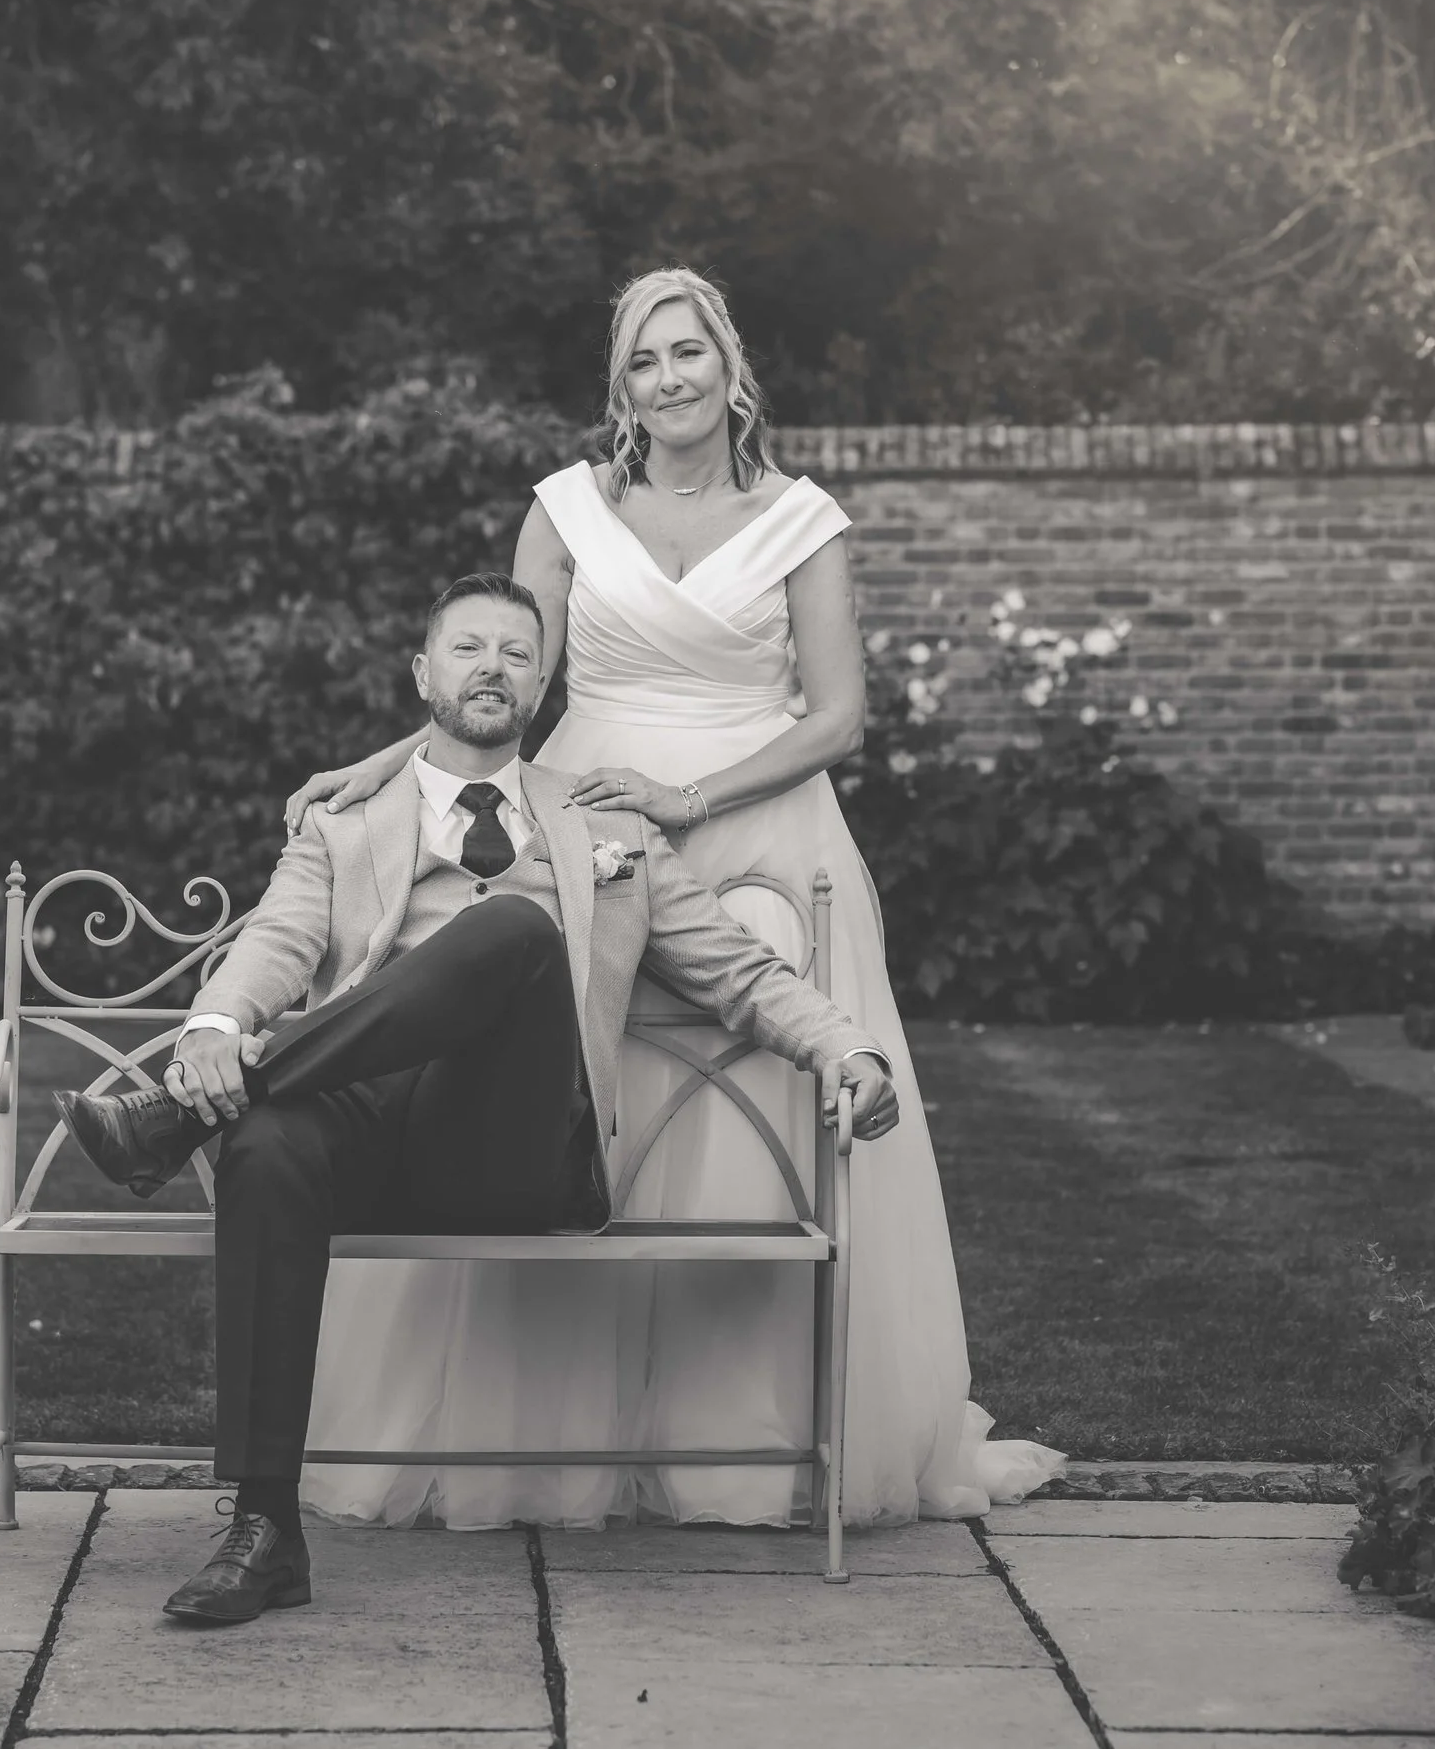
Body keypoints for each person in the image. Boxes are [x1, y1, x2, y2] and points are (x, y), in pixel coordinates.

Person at [280, 267, 1065, 1530]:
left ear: (729, 365)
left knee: (745, 1077)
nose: (668, 379)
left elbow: (837, 717)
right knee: (564, 1043)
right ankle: (542, 1432)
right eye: (642, 361)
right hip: (585, 806)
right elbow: (504, 684)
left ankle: (731, 1438)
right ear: (621, 387)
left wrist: (689, 801)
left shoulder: (800, 520)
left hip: (755, 819)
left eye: (687, 352)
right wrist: (383, 767)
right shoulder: (566, 510)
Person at [54, 572, 898, 1623]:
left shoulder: (608, 828)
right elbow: (275, 942)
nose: (492, 668)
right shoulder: (346, 825)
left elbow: (738, 971)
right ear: (423, 674)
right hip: (360, 1133)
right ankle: (264, 1532)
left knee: (511, 930)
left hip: (510, 1151)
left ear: (541, 689)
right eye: (467, 648)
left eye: (515, 654)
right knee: (265, 1146)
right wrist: (214, 1031)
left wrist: (845, 1046)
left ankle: (172, 1123)